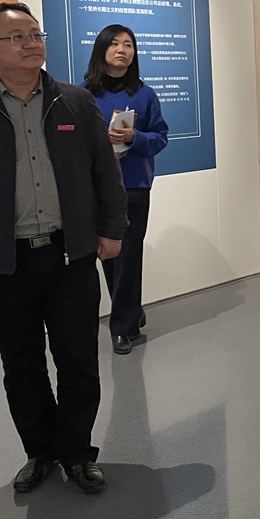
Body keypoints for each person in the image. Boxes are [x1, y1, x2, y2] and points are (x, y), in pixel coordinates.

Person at [0, 2, 128, 495]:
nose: (31, 44)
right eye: (16, 37)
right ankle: (39, 451)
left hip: (69, 255)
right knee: (21, 365)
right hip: (6, 261)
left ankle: (76, 453)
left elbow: (106, 173)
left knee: (78, 361)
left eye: (35, 34)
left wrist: (112, 230)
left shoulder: (75, 102)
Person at [84, 24, 169, 355]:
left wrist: (135, 137)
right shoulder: (83, 94)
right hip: (94, 187)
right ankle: (130, 309)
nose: (122, 50)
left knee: (129, 255)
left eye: (129, 45)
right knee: (107, 253)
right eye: (115, 44)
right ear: (102, 49)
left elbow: (160, 137)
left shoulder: (144, 95)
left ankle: (123, 327)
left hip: (133, 185)